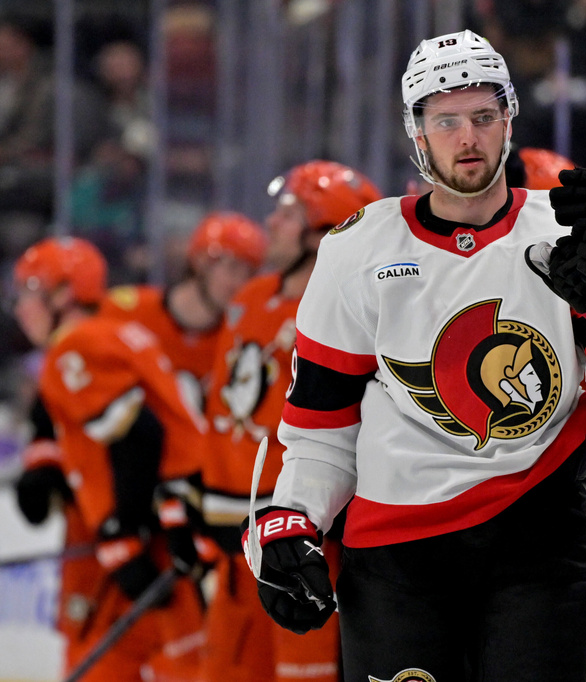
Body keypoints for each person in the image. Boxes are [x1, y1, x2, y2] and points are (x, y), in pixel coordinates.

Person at [242, 30, 586, 682]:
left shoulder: (568, 233)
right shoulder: (358, 250)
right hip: (395, 558)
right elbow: (322, 431)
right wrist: (291, 518)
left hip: (538, 544)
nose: (468, 137)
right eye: (446, 121)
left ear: (509, 120)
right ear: (417, 131)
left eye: (483, 117)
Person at [200, 160, 381, 682]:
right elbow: (222, 411)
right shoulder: (250, 299)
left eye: (287, 213)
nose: (272, 224)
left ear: (325, 229)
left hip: (302, 539)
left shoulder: (347, 310)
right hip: (234, 534)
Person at [12, 236, 207, 681]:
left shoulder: (76, 345)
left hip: (151, 540)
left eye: (29, 292)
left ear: (62, 295)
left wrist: (122, 534)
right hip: (175, 524)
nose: (21, 307)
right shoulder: (116, 331)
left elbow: (140, 434)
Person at [100, 211, 267, 414]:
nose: (240, 284)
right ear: (200, 261)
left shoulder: (239, 342)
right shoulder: (123, 310)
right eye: (232, 268)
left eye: (249, 274)